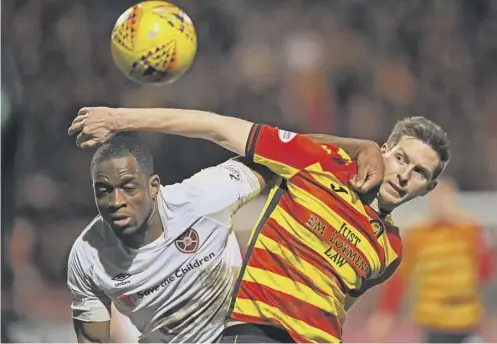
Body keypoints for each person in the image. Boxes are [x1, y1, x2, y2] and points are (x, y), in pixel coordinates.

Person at [68, 106, 450, 343]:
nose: (404, 176)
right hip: (260, 333)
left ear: (428, 188)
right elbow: (215, 126)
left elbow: (338, 304)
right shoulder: (319, 162)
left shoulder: (390, 249)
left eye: (419, 173)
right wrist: (120, 118)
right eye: (401, 159)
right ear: (385, 150)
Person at [368, 177, 495, 343]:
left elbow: (486, 273)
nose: (441, 203)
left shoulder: (470, 229)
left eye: (445, 197)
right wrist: (386, 312)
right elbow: (400, 275)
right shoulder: (417, 233)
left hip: (466, 320)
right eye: (436, 197)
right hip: (432, 321)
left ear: (453, 199)